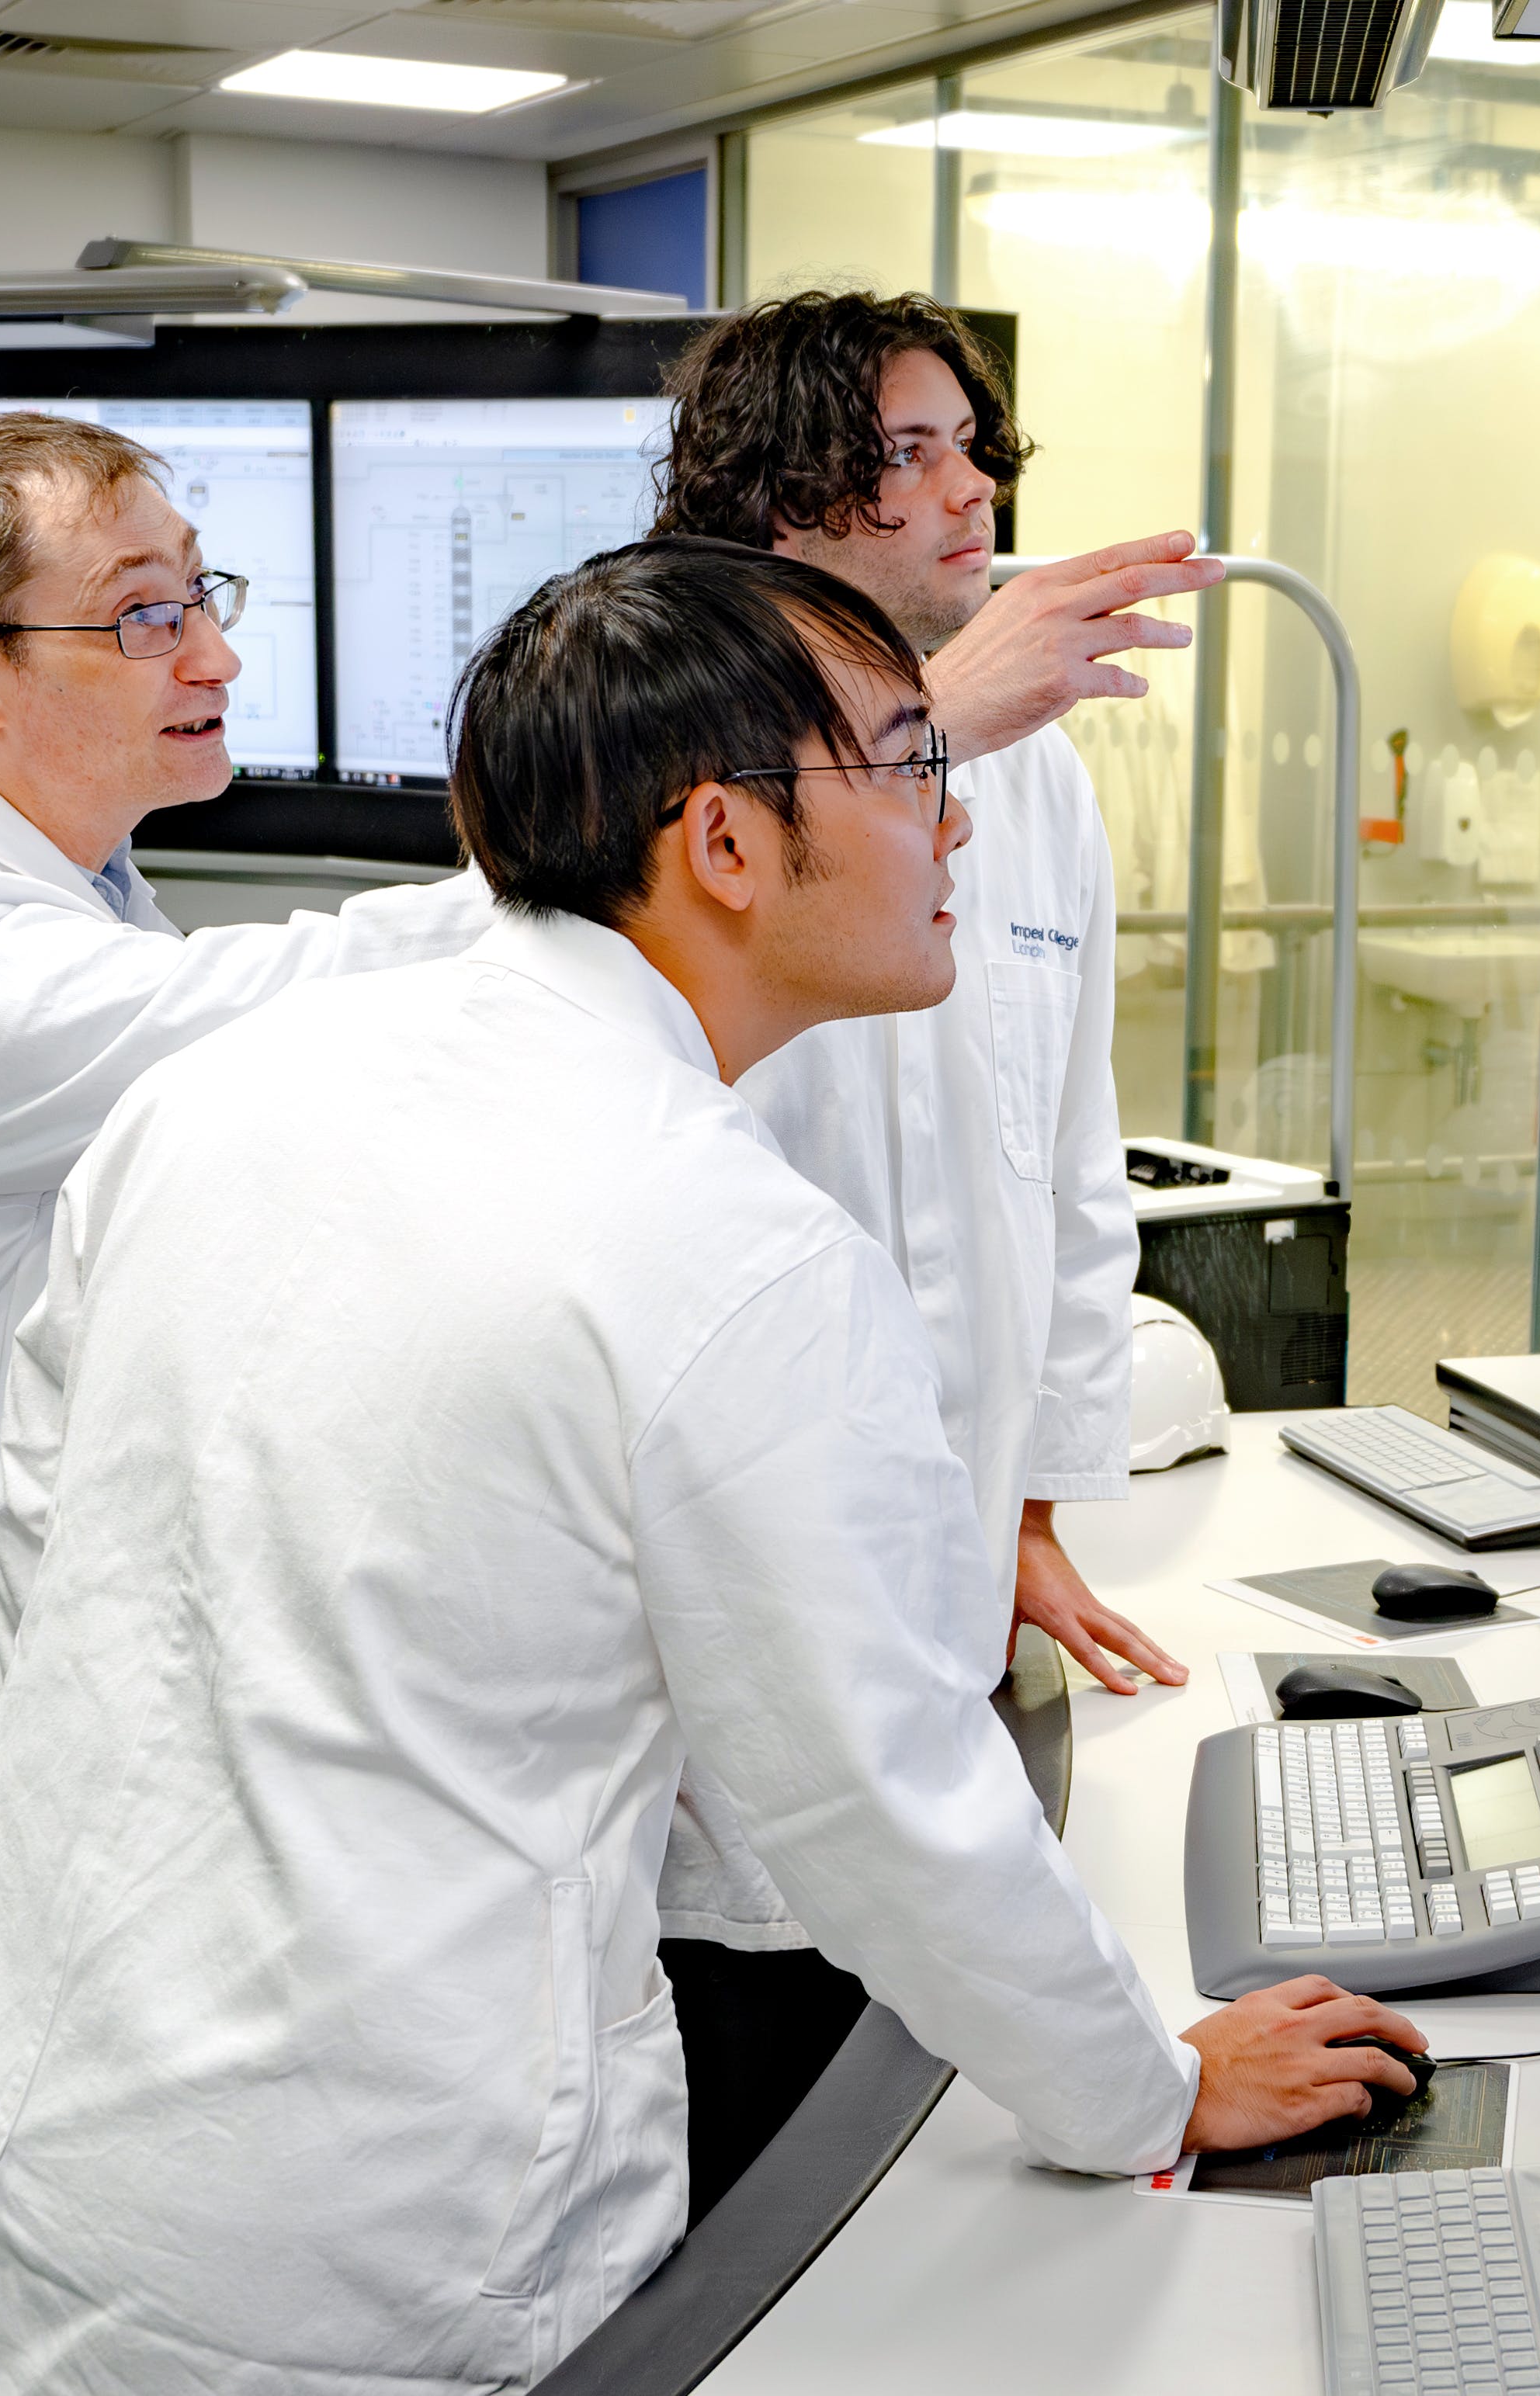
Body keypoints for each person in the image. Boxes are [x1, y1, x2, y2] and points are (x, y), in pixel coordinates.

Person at [0, 537, 1420, 2393]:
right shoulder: (732, 1250)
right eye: (912, 764)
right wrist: (1153, 2078)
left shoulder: (223, 1090)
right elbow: (882, 1806)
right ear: (723, 844)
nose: (958, 828)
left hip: (17, 2135)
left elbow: (50, 1548)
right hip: (359, 2239)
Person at [0, 412, 494, 2129]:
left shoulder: (57, 867)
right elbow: (273, 1018)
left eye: (202, 596)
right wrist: (626, 843)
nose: (216, 653)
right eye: (146, 615)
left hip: (75, 1622)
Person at [645, 291, 1221, 2207]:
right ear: (773, 477)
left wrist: (1029, 1512)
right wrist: (932, 721)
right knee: (744, 2122)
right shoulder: (659, 744)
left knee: (891, 2132)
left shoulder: (1039, 775)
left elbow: (1060, 1166)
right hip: (722, 1590)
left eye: (976, 441)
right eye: (910, 447)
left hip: (928, 1572)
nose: (971, 482)